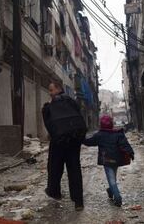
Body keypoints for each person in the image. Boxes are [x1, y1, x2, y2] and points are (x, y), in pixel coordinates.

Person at [42, 82, 87, 211]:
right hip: (74, 140)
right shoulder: (72, 102)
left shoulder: (48, 107)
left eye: (51, 90)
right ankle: (78, 202)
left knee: (54, 167)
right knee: (74, 170)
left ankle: (54, 192)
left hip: (58, 142)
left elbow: (49, 125)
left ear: (58, 89)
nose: (50, 93)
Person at [83, 115, 134, 207]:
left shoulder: (100, 135)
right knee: (112, 178)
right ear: (111, 124)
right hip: (117, 160)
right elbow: (125, 144)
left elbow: (89, 142)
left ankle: (118, 198)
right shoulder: (118, 134)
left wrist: (80, 137)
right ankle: (111, 191)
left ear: (101, 125)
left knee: (111, 180)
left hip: (106, 160)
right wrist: (131, 153)